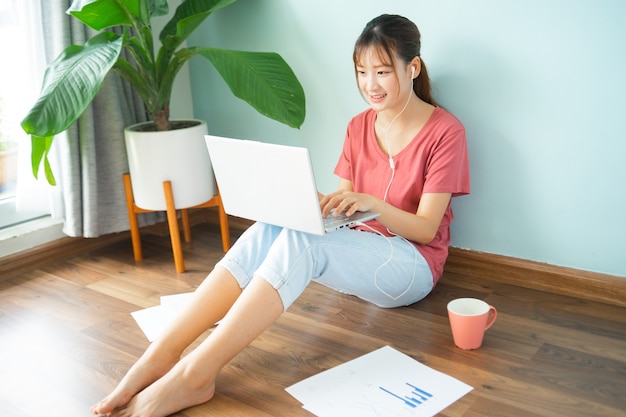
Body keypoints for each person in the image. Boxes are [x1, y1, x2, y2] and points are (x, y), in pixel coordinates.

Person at [91, 13, 470, 417]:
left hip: (411, 267)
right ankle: (162, 353)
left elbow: (427, 230)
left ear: (412, 68)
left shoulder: (446, 131)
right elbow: (344, 200)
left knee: (303, 241)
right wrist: (319, 204)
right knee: (275, 225)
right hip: (357, 252)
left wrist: (374, 203)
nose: (370, 85)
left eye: (382, 71)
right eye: (361, 72)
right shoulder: (359, 126)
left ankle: (194, 376)